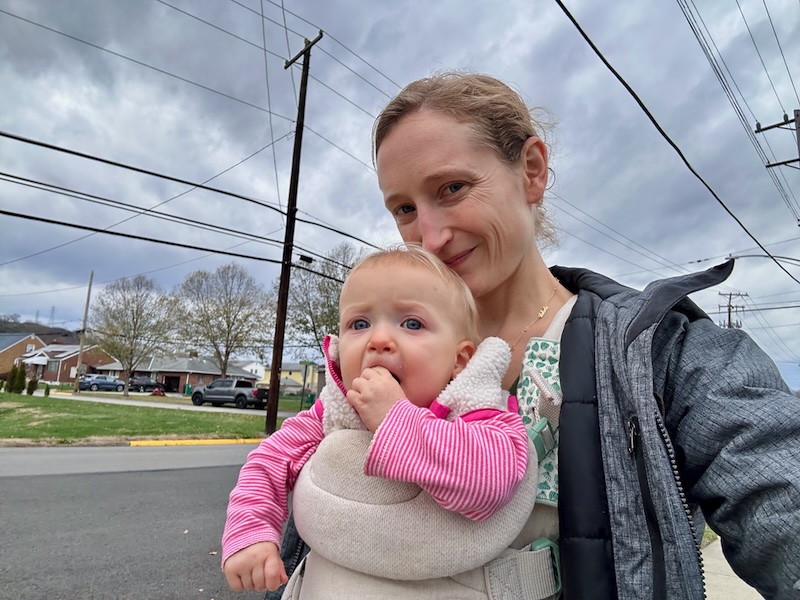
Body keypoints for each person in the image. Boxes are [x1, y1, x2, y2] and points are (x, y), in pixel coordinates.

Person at [271, 72, 800, 600]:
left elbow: (776, 490)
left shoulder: (658, 350)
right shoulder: (374, 352)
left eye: (452, 189)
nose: (429, 237)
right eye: (405, 209)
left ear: (531, 170)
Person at [222, 246, 541, 597]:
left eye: (412, 323)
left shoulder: (477, 409)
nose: (379, 340)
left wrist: (395, 418)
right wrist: (250, 533)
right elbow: (268, 463)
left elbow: (490, 483)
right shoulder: (333, 411)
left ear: (459, 360)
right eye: (359, 324)